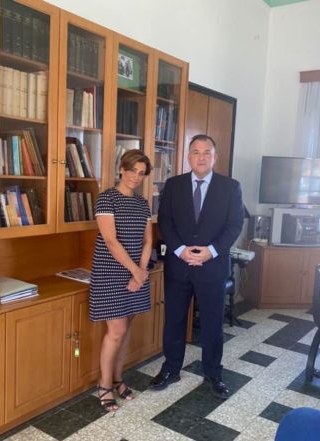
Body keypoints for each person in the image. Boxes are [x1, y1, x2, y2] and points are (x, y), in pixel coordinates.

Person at [149, 134, 244, 400]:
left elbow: (235, 225)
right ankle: (171, 369)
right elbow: (165, 221)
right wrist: (180, 250)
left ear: (215, 157)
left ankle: (213, 372)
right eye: (196, 152)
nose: (201, 157)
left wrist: (210, 252)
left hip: (212, 267)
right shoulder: (174, 185)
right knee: (174, 320)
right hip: (178, 267)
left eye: (207, 152)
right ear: (188, 156)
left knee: (213, 322)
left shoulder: (230, 187)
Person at [89, 149, 153, 412]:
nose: (136, 177)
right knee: (115, 331)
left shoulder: (143, 203)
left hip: (137, 273)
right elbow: (111, 241)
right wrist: (135, 272)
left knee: (126, 329)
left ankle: (118, 379)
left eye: (141, 173)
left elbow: (148, 240)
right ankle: (104, 385)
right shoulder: (106, 199)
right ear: (121, 169)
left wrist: (141, 270)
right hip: (110, 273)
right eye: (132, 170)